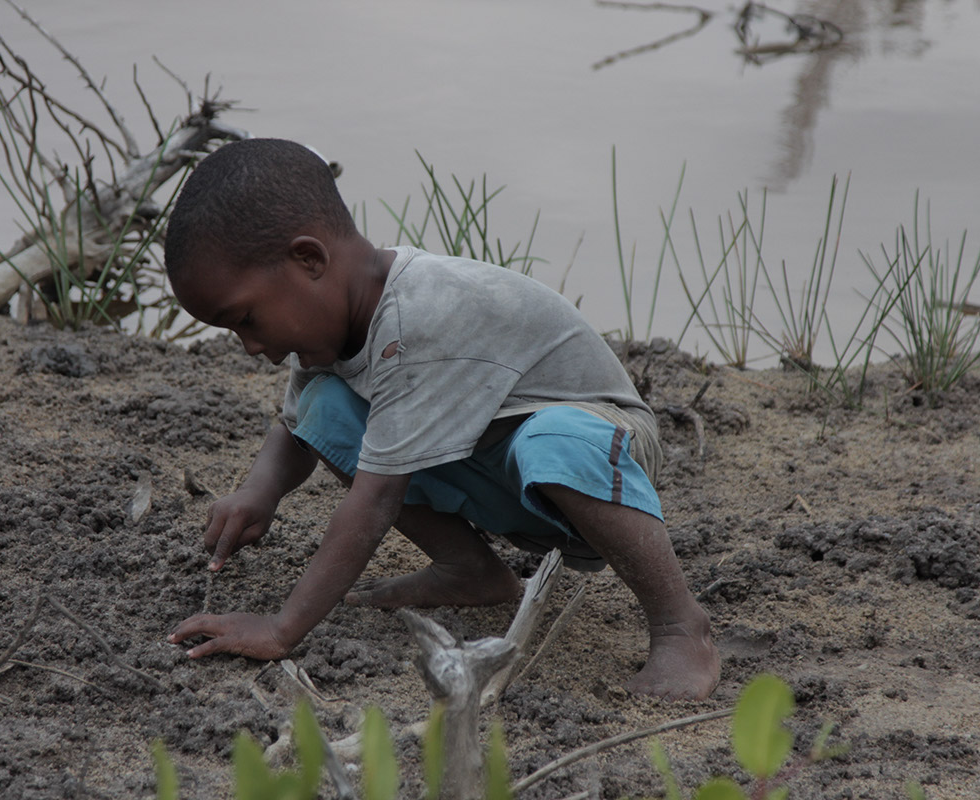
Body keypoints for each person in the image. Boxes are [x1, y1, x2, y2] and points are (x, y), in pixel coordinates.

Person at [161, 138, 719, 701]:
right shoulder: (339, 319)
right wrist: (259, 492)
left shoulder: (419, 316)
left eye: (247, 319)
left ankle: (679, 623)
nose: (250, 347)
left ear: (309, 260)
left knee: (552, 443)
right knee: (327, 407)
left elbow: (375, 501)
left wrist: (282, 629)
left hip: (602, 456)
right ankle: (470, 570)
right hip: (498, 464)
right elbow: (297, 426)